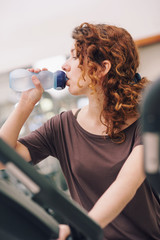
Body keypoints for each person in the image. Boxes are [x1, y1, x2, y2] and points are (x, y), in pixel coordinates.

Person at [0, 22, 160, 240]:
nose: (65, 65)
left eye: (75, 57)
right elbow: (2, 160)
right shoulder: (62, 126)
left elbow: (125, 186)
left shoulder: (146, 124)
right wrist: (26, 103)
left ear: (103, 68)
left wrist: (80, 228)